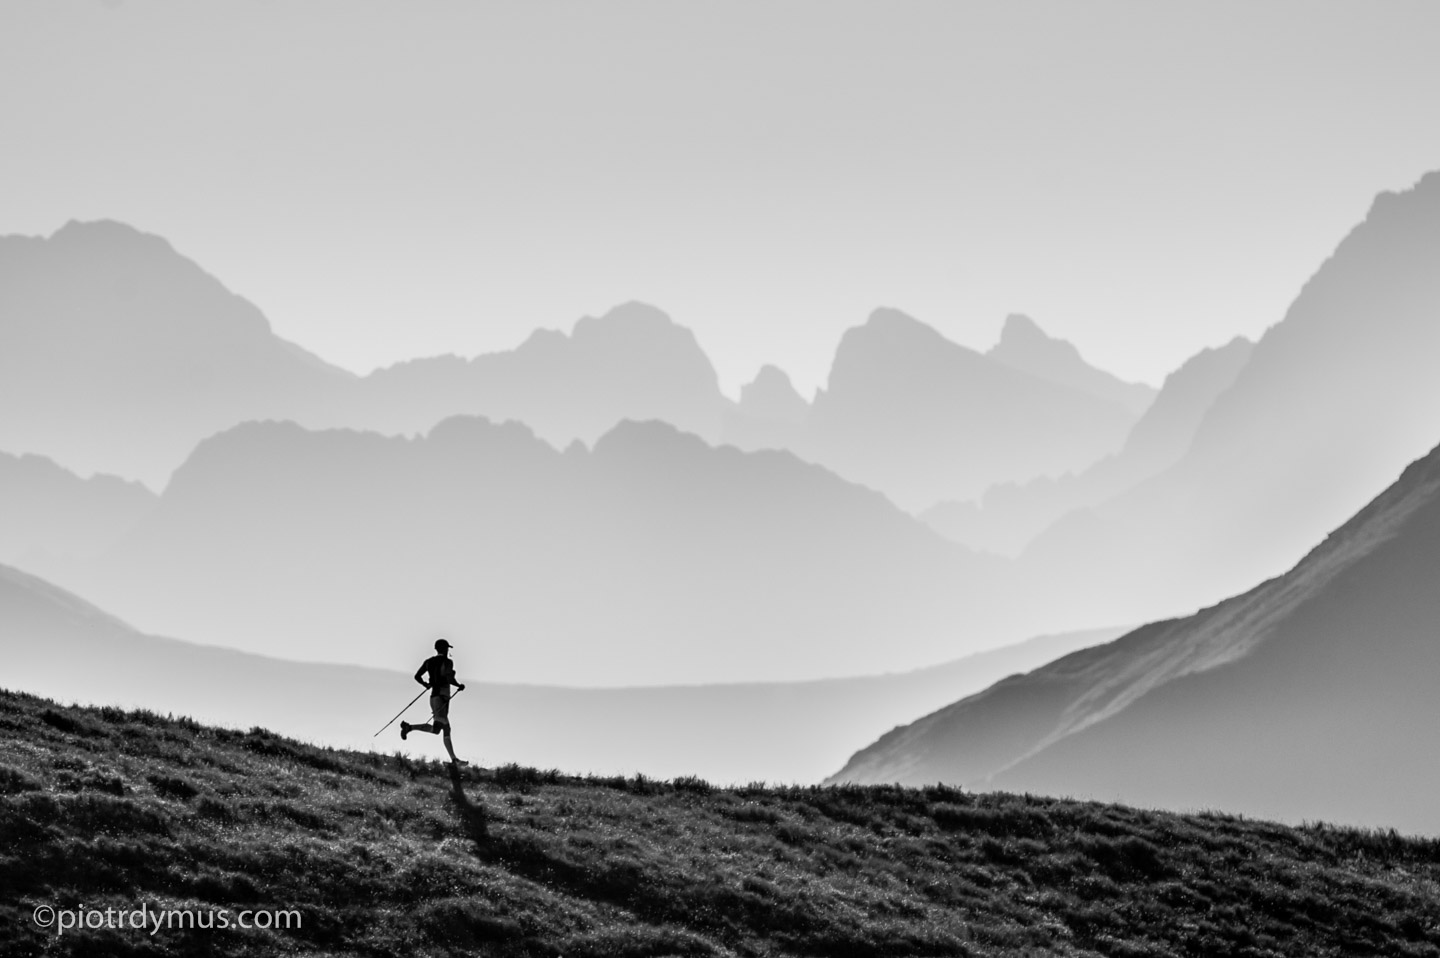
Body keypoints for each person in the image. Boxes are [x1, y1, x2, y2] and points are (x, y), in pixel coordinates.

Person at [401, 638, 467, 765]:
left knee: (436, 729)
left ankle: (409, 727)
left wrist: (426, 685)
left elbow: (417, 676)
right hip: (442, 697)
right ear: (444, 649)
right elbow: (449, 677)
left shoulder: (429, 662)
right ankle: (454, 760)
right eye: (447, 648)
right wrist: (459, 685)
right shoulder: (448, 662)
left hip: (434, 697)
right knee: (446, 727)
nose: (448, 650)